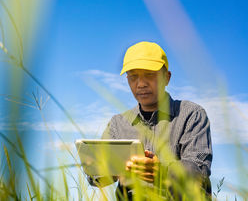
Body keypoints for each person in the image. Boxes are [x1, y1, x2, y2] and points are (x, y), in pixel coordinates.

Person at [88, 41, 212, 200]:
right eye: (133, 77)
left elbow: (199, 171)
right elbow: (94, 178)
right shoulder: (117, 124)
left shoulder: (191, 114)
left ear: (167, 77)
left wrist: (162, 172)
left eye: (149, 75)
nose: (141, 84)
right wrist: (107, 170)